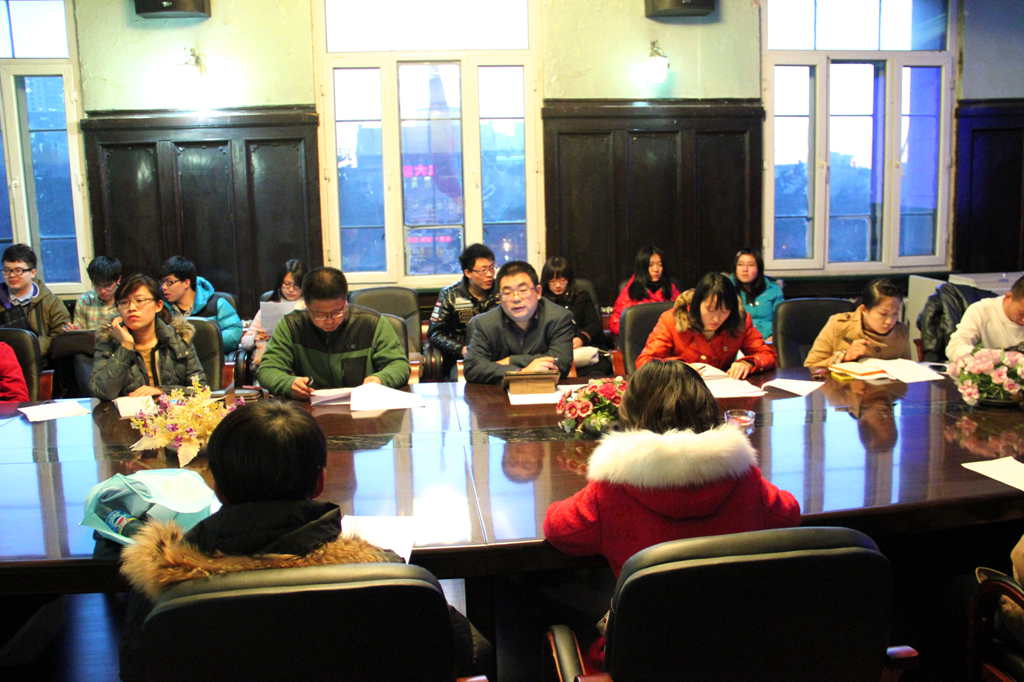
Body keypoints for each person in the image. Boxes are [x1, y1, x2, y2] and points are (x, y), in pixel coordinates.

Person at [117, 400, 492, 680]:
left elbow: (137, 668)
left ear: (215, 483)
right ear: (320, 481)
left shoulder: (163, 582)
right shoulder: (380, 572)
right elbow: (462, 651)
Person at [543, 360, 800, 668]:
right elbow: (788, 513)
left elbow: (558, 530)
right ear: (708, 407)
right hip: (738, 654)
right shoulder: (742, 476)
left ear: (630, 411)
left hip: (642, 661)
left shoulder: (614, 486)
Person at [257, 266, 409, 399]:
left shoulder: (372, 323)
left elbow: (399, 365)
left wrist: (379, 379)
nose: (329, 321)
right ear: (306, 305)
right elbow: (268, 369)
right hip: (308, 407)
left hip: (364, 406)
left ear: (345, 301)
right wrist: (288, 384)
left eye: (337, 312)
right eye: (319, 314)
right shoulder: (292, 325)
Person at [635, 272, 776, 378]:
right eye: (710, 309)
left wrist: (748, 363)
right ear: (697, 304)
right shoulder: (672, 320)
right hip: (680, 392)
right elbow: (645, 362)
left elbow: (767, 355)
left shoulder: (740, 320)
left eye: (724, 311)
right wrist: (680, 368)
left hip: (724, 390)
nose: (716, 319)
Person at [89, 274, 207, 400]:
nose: (131, 308)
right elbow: (102, 392)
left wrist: (161, 391)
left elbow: (200, 389)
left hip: (174, 411)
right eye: (124, 302)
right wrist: (126, 346)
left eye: (139, 301)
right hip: (129, 412)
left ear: (158, 305)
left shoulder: (178, 338)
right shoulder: (108, 341)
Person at [463, 260, 574, 384]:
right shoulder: (484, 323)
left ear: (538, 292)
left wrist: (510, 361)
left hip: (545, 390)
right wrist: (521, 372)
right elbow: (473, 368)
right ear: (499, 297)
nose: (516, 298)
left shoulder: (559, 317)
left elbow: (561, 362)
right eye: (507, 292)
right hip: (497, 393)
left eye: (523, 290)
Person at [427, 243, 500, 379]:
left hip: (498, 355)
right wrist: (461, 349)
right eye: (483, 270)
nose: (490, 274)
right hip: (462, 359)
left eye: (492, 268)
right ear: (468, 273)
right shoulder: (450, 295)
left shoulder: (501, 291)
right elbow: (435, 333)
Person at [804, 278, 910, 369]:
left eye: (895, 314)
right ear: (864, 309)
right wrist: (844, 357)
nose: (889, 321)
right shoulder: (838, 325)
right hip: (843, 386)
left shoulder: (901, 332)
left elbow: (906, 369)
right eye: (883, 314)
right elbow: (810, 367)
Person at [541, 256, 612, 378]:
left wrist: (581, 338)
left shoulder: (581, 296)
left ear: (569, 280)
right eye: (552, 281)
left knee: (597, 373)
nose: (558, 285)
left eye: (562, 280)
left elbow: (594, 325)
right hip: (553, 354)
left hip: (582, 351)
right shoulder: (541, 301)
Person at [159, 256, 243, 353]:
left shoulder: (216, 304)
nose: (163, 287)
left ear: (186, 283)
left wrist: (204, 344)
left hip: (212, 358)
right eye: (162, 282)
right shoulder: (163, 309)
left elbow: (234, 333)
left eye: (169, 282)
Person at [0, 243, 71, 357]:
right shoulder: (2, 296)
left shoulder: (51, 302)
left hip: (41, 360)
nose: (12, 275)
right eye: (7, 270)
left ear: (33, 272)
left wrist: (33, 347)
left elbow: (61, 336)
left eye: (18, 270)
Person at [240, 258, 307, 366]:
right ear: (280, 283)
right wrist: (255, 337)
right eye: (287, 284)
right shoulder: (271, 306)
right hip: (271, 358)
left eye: (296, 286)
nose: (291, 289)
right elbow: (245, 342)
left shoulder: (312, 306)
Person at [946, 274, 1024, 361]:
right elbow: (955, 347)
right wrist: (991, 356)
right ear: (1008, 297)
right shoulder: (981, 310)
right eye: (1021, 313)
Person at [608, 245, 680, 337]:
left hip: (666, 338)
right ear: (642, 268)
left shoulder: (670, 288)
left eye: (660, 264)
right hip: (639, 340)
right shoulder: (631, 291)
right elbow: (615, 323)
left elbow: (682, 316)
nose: (656, 269)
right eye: (651, 265)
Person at [729, 248, 783, 343]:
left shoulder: (773, 289)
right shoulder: (727, 288)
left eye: (751, 265)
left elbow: (781, 322)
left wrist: (774, 337)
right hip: (737, 341)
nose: (745, 269)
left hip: (767, 340)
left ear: (759, 268)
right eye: (740, 264)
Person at [71, 256, 122, 330]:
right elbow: (80, 332)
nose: (102, 291)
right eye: (97, 285)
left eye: (107, 285)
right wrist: (74, 330)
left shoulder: (126, 300)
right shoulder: (85, 300)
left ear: (118, 280)